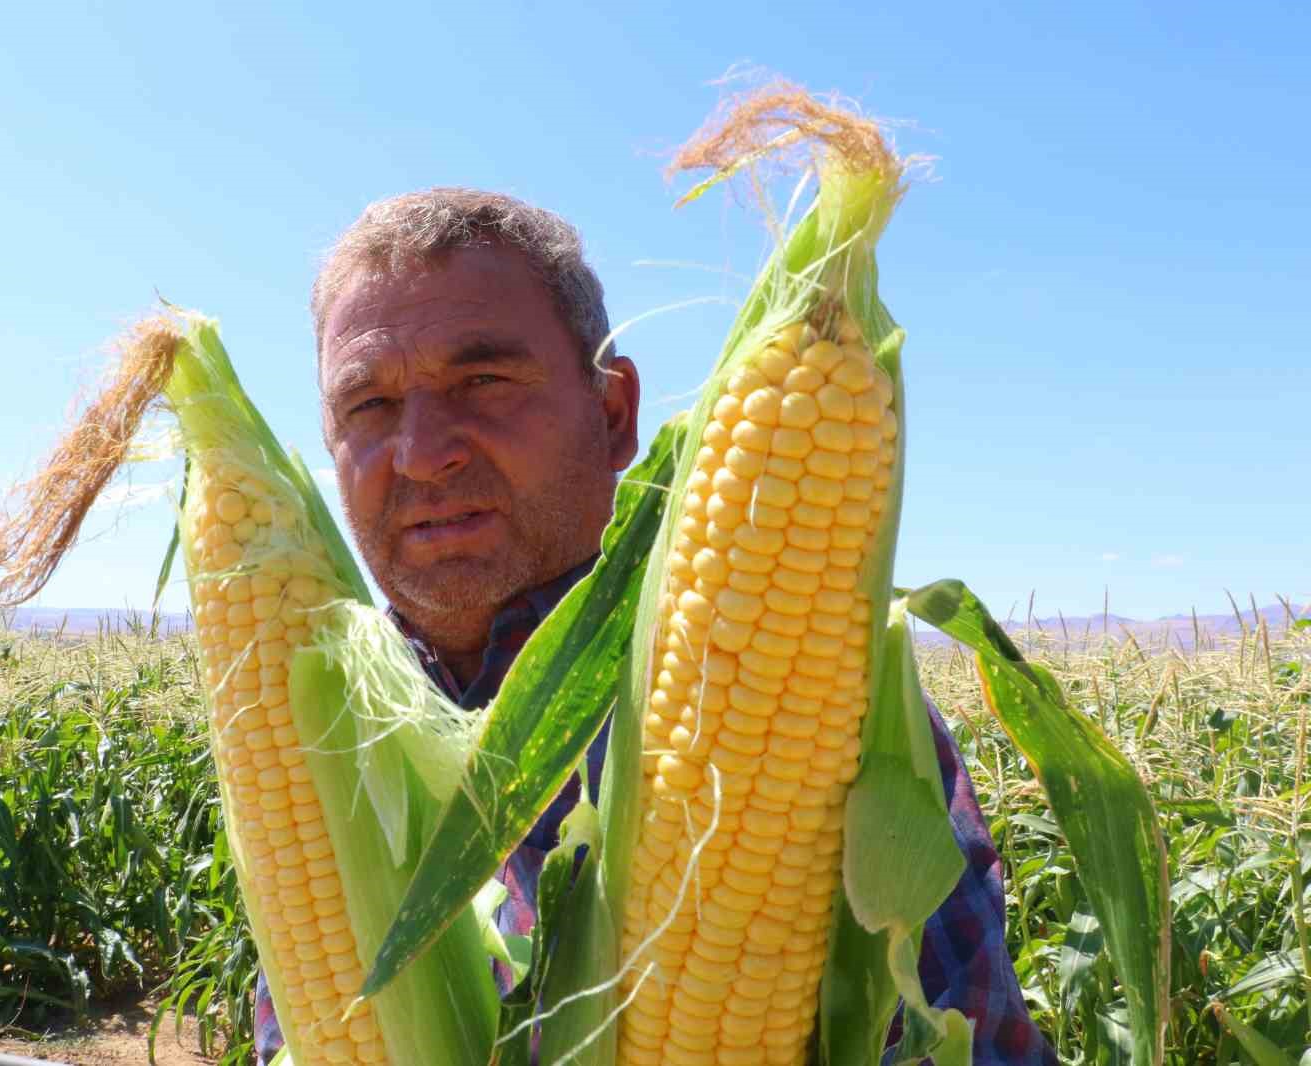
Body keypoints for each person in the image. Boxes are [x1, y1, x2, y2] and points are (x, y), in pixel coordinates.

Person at [250, 188, 1055, 1065]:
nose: (420, 452)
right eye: (367, 406)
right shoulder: (313, 729)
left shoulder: (822, 725)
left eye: (482, 380)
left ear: (613, 415)